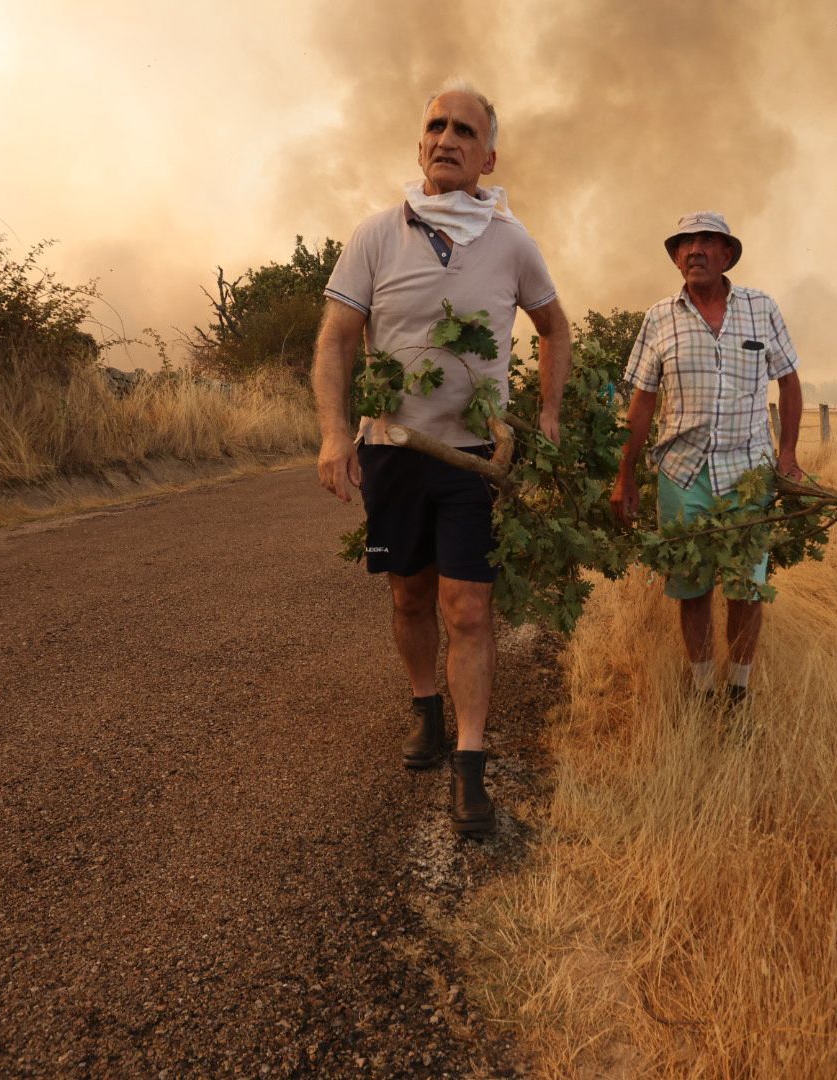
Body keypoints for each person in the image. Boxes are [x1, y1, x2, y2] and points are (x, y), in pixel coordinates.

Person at [311, 80, 571, 836]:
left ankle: (470, 764)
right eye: (436, 125)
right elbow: (334, 340)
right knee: (409, 598)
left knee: (470, 606)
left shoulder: (513, 241)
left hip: (473, 461)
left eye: (465, 129)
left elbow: (556, 327)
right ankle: (425, 704)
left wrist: (548, 413)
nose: (447, 138)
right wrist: (335, 433)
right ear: (420, 143)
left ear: (489, 154)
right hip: (393, 450)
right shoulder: (374, 234)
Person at [610, 211, 803, 706]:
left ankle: (737, 688)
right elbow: (644, 402)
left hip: (748, 474)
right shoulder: (658, 317)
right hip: (682, 474)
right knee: (691, 588)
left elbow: (789, 380)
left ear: (726, 254)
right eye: (685, 244)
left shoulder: (761, 308)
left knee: (746, 588)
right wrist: (625, 474)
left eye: (706, 241)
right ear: (676, 258)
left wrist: (787, 454)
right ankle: (702, 689)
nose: (694, 250)